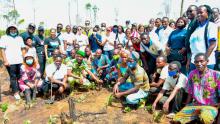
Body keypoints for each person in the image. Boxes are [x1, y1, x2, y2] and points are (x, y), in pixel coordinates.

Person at [173, 53, 220, 124]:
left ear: (207, 61)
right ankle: (195, 118)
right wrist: (186, 107)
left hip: (210, 106)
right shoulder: (192, 74)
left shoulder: (216, 74)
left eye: (201, 61)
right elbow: (190, 92)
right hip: (196, 105)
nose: (199, 63)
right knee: (177, 120)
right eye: (196, 62)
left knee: (205, 119)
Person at [187, 5, 217, 72]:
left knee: (205, 82)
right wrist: (189, 60)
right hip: (194, 62)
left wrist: (204, 60)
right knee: (194, 82)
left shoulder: (211, 26)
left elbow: (212, 45)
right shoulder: (197, 29)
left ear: (207, 14)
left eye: (201, 12)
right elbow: (193, 47)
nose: (198, 14)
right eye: (197, 13)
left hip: (205, 63)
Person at [0, 25, 26, 100]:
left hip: (20, 60)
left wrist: (24, 59)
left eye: (14, 29)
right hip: (10, 61)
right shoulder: (4, 37)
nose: (13, 30)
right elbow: (2, 50)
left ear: (16, 30)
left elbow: (23, 48)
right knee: (13, 76)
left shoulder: (19, 38)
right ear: (8, 30)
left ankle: (18, 88)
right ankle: (16, 92)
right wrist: (5, 60)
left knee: (19, 76)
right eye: (11, 29)